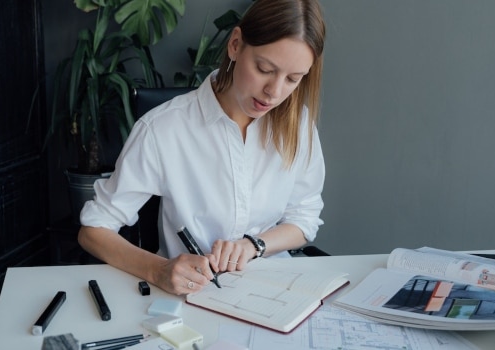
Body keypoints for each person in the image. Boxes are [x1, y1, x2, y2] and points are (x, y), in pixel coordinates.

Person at [78, 0, 327, 295]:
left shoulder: (297, 125)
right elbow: (93, 231)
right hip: (189, 296)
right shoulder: (163, 129)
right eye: (264, 69)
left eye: (293, 79)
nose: (274, 92)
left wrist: (254, 246)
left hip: (273, 292)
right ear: (235, 45)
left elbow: (304, 218)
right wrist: (158, 270)